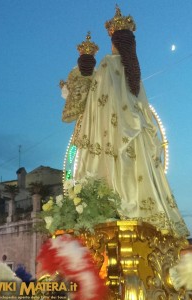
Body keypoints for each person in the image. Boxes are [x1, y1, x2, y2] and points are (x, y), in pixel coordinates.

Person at [70, 6, 189, 237]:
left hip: (108, 135)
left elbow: (95, 106)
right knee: (139, 175)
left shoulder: (106, 65)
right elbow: (139, 106)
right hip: (135, 135)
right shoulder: (133, 70)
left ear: (113, 41)